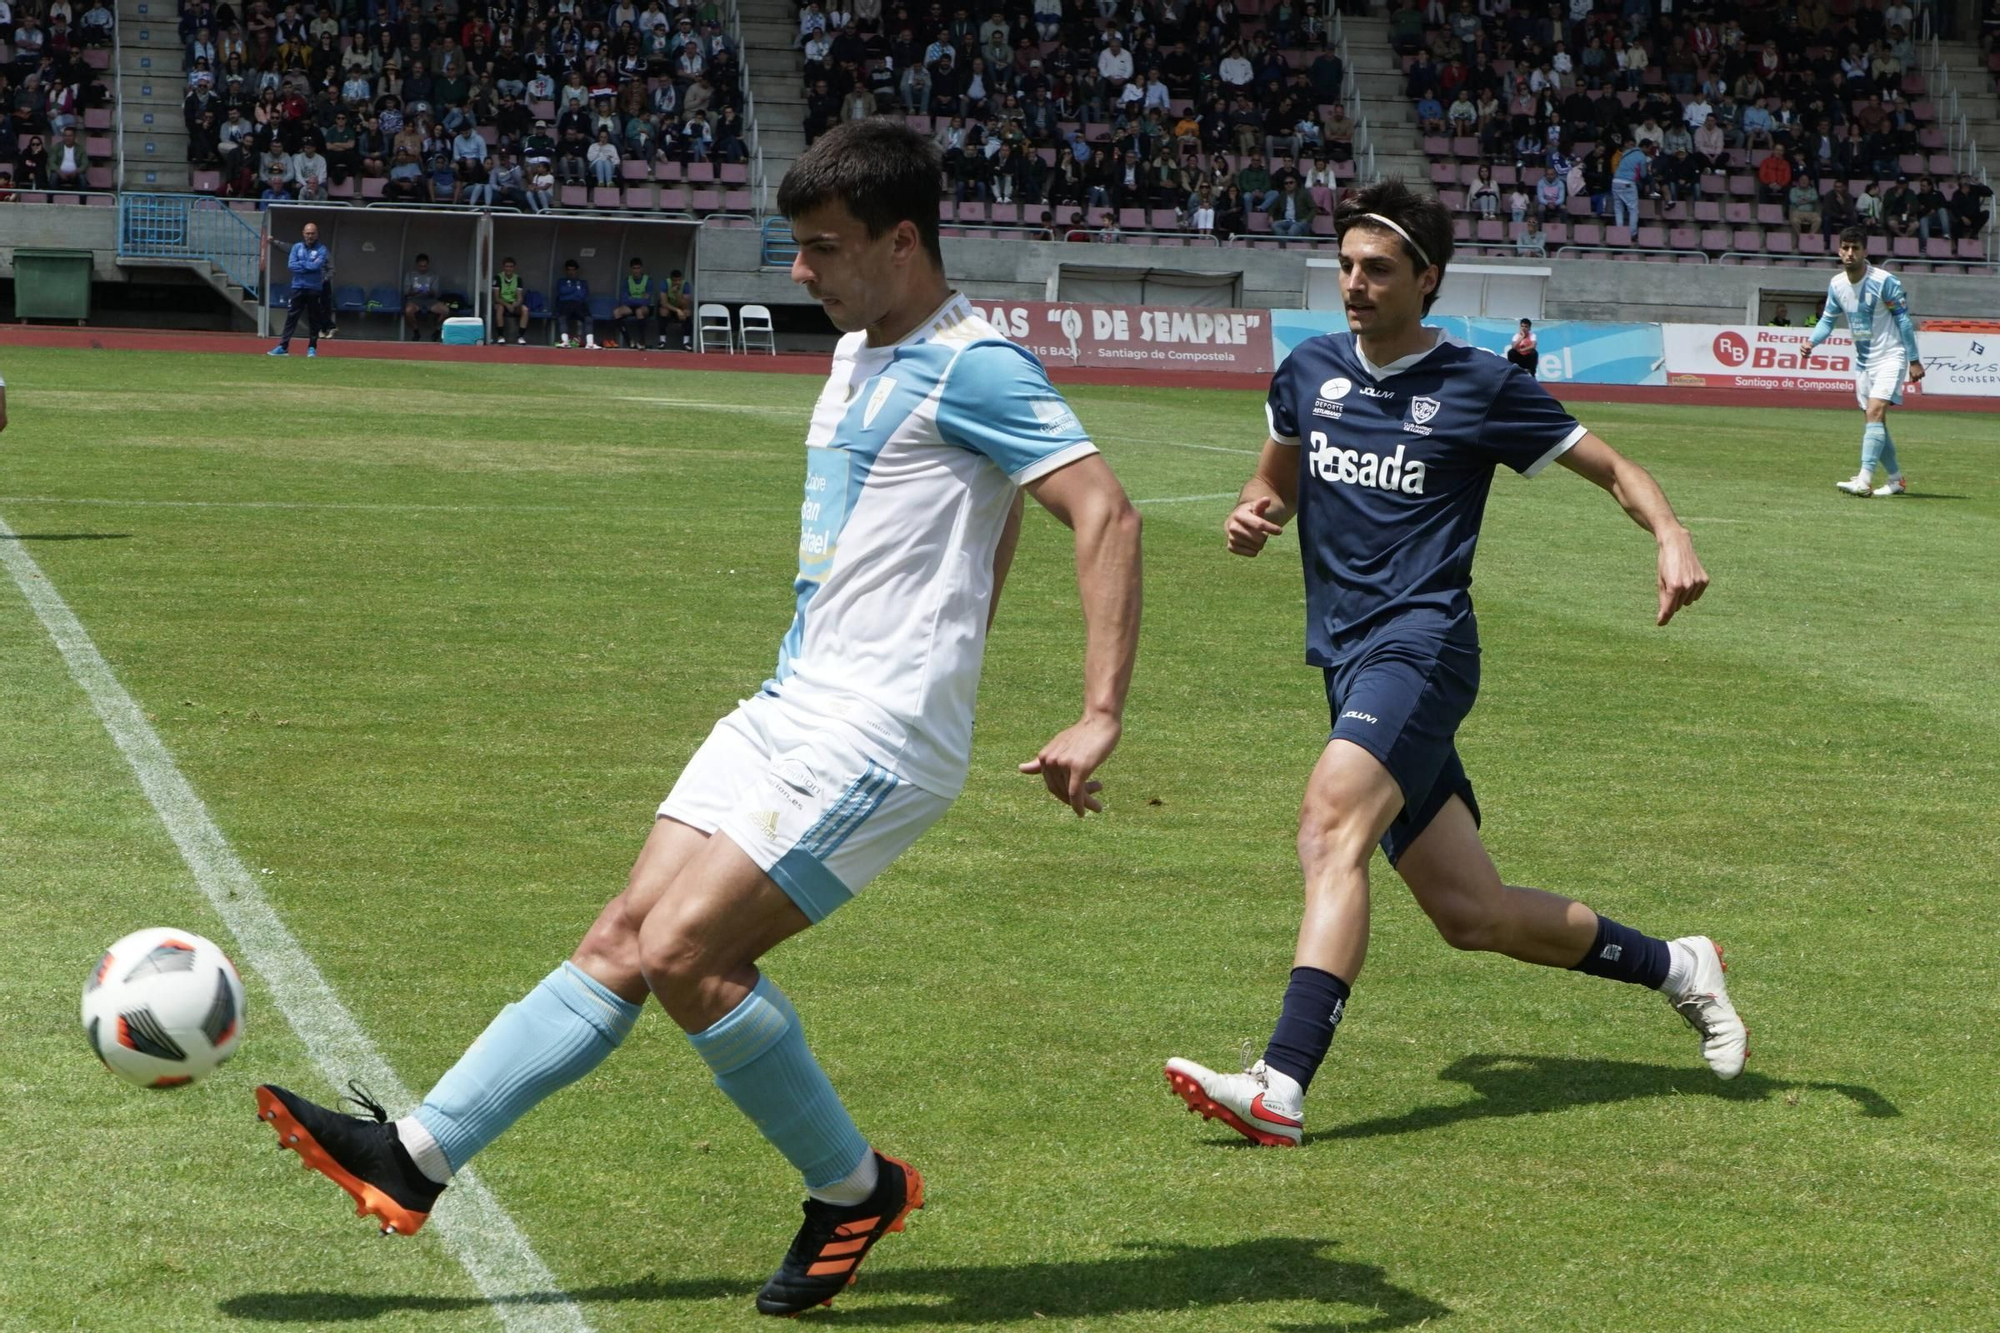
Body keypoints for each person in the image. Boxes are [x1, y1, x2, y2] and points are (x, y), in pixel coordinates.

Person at [253, 118, 1143, 1318]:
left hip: (874, 738)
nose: (798, 272)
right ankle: (414, 1154)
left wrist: (1095, 712)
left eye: (822, 249)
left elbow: (1102, 511)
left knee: (689, 956)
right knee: (624, 934)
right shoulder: (856, 356)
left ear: (901, 241)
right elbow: (990, 519)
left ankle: (855, 1189)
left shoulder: (974, 364)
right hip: (789, 701)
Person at [1162, 179, 1744, 1148]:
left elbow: (1612, 469)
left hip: (1422, 646)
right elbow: (1273, 481)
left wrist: (1670, 534)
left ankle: (1279, 1083)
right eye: (1345, 266)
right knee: (1471, 914)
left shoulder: (1480, 386)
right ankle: (1679, 966)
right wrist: (1255, 514)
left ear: (1426, 279)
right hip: (1345, 661)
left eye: (1376, 270)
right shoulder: (1306, 370)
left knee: (1327, 826)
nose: (1353, 284)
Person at [1802, 226, 1923, 498]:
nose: (1850, 253)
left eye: (1855, 248)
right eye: (1845, 247)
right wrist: (1812, 342)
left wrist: (1914, 360)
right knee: (1875, 420)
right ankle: (1895, 480)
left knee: (1874, 412)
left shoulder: (1884, 281)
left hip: (1891, 355)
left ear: (1865, 251)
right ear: (1838, 250)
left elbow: (1903, 320)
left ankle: (1864, 479)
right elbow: (1828, 320)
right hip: (1864, 361)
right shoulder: (1836, 285)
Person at [268, 220, 332, 357]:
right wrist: (308, 265)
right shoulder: (297, 247)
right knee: (292, 317)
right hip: (297, 287)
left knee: (314, 318)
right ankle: (283, 347)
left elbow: (316, 266)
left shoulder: (322, 249)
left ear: (317, 234)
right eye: (308, 233)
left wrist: (302, 264)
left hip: (314, 288)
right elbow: (291, 265)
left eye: (313, 233)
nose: (310, 236)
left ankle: (312, 348)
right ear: (303, 234)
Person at [611, 256, 657, 348]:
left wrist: (632, 299)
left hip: (645, 307)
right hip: (631, 305)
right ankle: (629, 341)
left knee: (639, 311)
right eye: (634, 268)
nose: (636, 271)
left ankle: (641, 341)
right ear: (631, 269)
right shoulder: (627, 280)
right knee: (616, 312)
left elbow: (646, 300)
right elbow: (624, 299)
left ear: (641, 268)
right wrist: (637, 300)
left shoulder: (648, 280)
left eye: (638, 268)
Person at [553, 257, 599, 348]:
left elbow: (583, 294)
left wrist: (569, 291)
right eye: (569, 270)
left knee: (588, 318)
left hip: (578, 305)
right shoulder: (561, 281)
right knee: (562, 317)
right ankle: (565, 341)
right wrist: (575, 290)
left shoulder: (582, 282)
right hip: (565, 304)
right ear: (566, 271)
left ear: (576, 271)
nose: (571, 272)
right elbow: (562, 291)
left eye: (573, 270)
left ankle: (590, 343)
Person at [402, 252, 449, 340]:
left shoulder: (433, 275)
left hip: (430, 299)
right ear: (416, 265)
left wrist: (429, 291)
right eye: (420, 266)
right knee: (408, 311)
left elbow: (436, 293)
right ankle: (416, 331)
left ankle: (437, 330)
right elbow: (406, 292)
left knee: (445, 310)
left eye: (425, 266)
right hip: (414, 299)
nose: (423, 268)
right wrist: (415, 292)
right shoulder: (410, 275)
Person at [491, 255, 530, 345]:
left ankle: (520, 336)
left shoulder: (518, 278)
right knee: (500, 308)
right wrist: (507, 305)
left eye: (511, 266)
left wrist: (515, 304)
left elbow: (519, 297)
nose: (508, 269)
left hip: (513, 303)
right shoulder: (498, 278)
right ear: (503, 267)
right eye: (507, 266)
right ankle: (500, 336)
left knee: (525, 309)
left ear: (514, 267)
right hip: (501, 302)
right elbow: (496, 297)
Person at [657, 268, 693, 349]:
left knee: (687, 312)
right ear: (671, 280)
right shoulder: (665, 283)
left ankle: (686, 342)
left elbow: (686, 305)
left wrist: (677, 294)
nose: (677, 283)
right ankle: (662, 340)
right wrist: (677, 310)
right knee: (663, 311)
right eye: (675, 280)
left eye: (679, 280)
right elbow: (664, 303)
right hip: (669, 308)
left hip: (680, 307)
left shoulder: (685, 285)